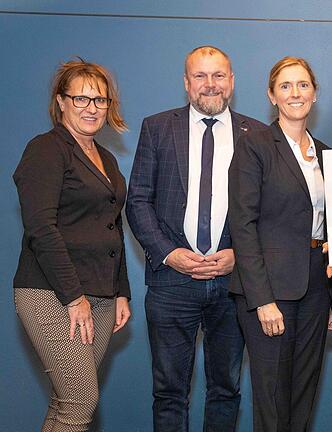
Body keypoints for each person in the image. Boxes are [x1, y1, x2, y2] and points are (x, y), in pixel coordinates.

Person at [126, 46, 266, 432]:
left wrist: (240, 254)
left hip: (233, 284)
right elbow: (137, 200)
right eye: (200, 76)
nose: (210, 84)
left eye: (218, 75)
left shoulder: (258, 134)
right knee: (169, 391)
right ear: (186, 83)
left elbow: (270, 211)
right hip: (172, 282)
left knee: (227, 389)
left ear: (232, 81)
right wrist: (168, 253)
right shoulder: (157, 127)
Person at [13, 59, 132, 431]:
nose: (91, 108)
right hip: (52, 293)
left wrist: (121, 293)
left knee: (67, 404)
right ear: (60, 102)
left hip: (100, 297)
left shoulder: (107, 160)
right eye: (80, 98)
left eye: (99, 100)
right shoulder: (46, 150)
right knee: (79, 401)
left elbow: (113, 225)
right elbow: (41, 229)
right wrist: (73, 298)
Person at [228, 56, 332, 432]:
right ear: (272, 96)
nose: (296, 93)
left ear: (315, 93)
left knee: (302, 396)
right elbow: (242, 224)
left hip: (315, 286)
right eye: (286, 86)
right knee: (272, 400)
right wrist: (261, 299)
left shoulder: (326, 153)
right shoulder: (254, 146)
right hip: (269, 290)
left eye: (303, 85)